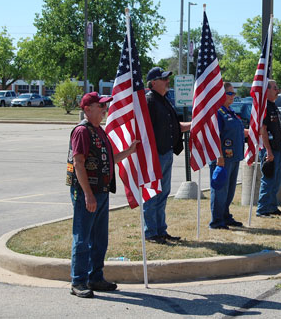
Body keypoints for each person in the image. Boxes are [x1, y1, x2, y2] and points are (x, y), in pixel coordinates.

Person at [66, 92, 138, 298]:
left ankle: (95, 277)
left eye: (105, 106)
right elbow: (78, 163)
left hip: (102, 191)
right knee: (82, 238)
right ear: (88, 109)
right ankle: (78, 281)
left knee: (100, 239)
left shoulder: (99, 131)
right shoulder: (82, 131)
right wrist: (88, 195)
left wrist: (129, 151)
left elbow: (109, 159)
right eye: (101, 106)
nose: (105, 109)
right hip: (87, 193)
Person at [144, 67, 191, 244]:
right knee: (151, 194)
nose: (167, 82)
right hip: (153, 155)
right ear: (153, 83)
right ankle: (150, 232)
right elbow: (143, 129)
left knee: (163, 193)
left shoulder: (164, 101)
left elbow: (175, 126)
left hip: (166, 153)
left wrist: (193, 124)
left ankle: (160, 230)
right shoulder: (149, 101)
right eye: (164, 79)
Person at [209, 82, 248, 229]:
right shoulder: (218, 112)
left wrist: (252, 133)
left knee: (230, 190)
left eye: (234, 93)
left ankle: (225, 216)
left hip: (234, 157)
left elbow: (237, 131)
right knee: (220, 190)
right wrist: (219, 157)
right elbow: (215, 135)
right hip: (222, 158)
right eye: (229, 93)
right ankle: (216, 221)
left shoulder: (230, 111)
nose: (233, 96)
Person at [257, 80, 281, 217]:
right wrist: (268, 151)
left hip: (277, 148)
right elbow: (263, 130)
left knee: (276, 180)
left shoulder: (273, 106)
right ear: (267, 91)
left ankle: (272, 207)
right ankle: (262, 209)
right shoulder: (264, 107)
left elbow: (276, 128)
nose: (278, 91)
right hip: (269, 149)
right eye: (275, 88)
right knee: (269, 179)